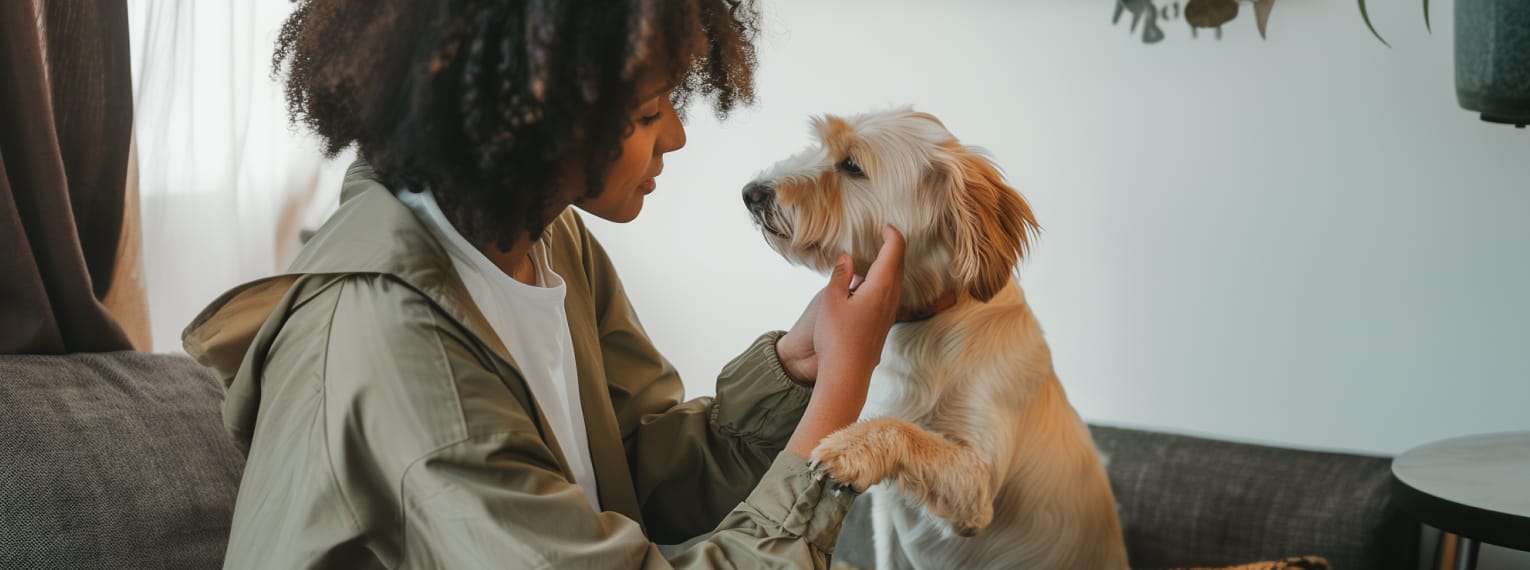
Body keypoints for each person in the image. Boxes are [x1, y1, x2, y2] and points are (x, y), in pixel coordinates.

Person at [182, 1, 906, 567]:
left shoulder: (549, 241)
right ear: (531, 116)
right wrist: (843, 391)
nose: (677, 135)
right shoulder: (405, 354)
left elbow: (637, 470)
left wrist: (796, 369)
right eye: (648, 110)